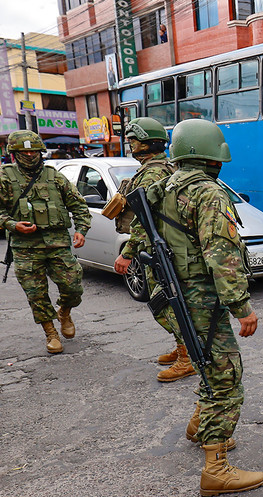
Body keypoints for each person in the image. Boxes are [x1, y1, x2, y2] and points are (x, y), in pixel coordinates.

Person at [144, 118, 263, 496]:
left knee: (208, 365)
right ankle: (216, 468)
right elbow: (221, 254)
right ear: (212, 157)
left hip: (175, 296)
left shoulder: (161, 187)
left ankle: (200, 425)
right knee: (227, 378)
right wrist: (241, 306)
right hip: (200, 299)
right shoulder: (208, 194)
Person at [0, 130, 90, 354]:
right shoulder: (2, 178)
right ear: (14, 153)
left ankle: (65, 312)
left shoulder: (54, 175)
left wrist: (81, 229)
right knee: (36, 293)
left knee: (73, 286)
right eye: (25, 152)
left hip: (58, 243)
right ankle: (50, 332)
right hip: (25, 248)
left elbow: (78, 205)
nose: (30, 155)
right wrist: (13, 225)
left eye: (34, 151)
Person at [112, 117, 195, 384]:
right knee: (167, 303)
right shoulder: (158, 168)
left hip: (159, 248)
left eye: (133, 140)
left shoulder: (153, 173)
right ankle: (182, 348)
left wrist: (127, 253)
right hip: (161, 246)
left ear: (147, 143)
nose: (130, 144)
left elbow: (144, 219)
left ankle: (188, 357)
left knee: (165, 305)